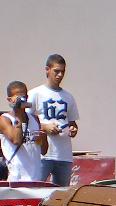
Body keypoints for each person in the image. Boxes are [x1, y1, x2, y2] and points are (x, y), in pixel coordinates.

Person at [28, 54, 79, 186]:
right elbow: (25, 121)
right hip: (42, 155)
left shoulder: (68, 96)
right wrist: (44, 127)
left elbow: (72, 122)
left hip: (64, 155)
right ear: (47, 70)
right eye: (56, 71)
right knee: (35, 191)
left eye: (63, 71)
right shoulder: (35, 93)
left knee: (61, 196)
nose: (60, 75)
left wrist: (73, 129)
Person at [0, 81, 47, 182]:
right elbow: (16, 141)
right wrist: (18, 113)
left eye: (24, 96)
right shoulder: (5, 119)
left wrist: (43, 137)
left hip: (36, 177)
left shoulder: (35, 119)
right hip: (16, 178)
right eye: (18, 97)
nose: (22, 99)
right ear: (9, 99)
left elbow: (44, 151)